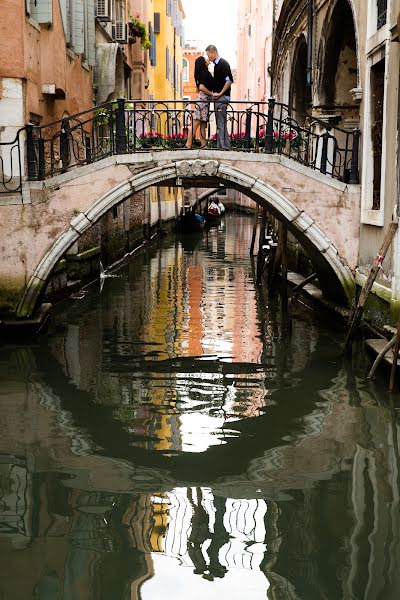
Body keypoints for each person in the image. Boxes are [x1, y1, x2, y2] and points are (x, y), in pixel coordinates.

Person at [205, 45, 234, 150]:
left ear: (213, 52)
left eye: (209, 56)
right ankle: (222, 145)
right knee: (220, 123)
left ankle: (223, 147)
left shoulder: (223, 64)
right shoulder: (218, 65)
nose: (208, 58)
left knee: (221, 123)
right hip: (220, 98)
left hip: (222, 98)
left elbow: (229, 81)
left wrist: (220, 93)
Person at [186, 56, 214, 149]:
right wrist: (211, 94)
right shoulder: (204, 73)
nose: (207, 59)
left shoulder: (200, 74)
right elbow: (201, 88)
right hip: (203, 100)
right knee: (196, 122)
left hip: (203, 100)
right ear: (202, 62)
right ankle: (188, 144)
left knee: (202, 124)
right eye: (205, 58)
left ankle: (203, 145)